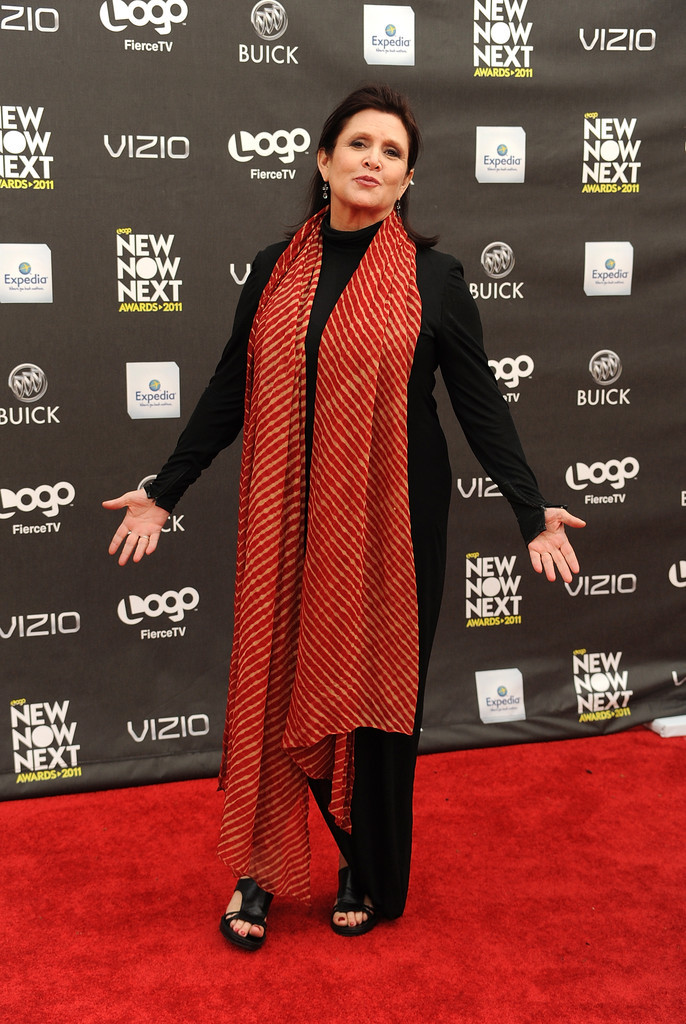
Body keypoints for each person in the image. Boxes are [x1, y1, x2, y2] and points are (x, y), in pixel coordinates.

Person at [103, 84, 585, 951]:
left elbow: (481, 405)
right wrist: (165, 490)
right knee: (276, 673)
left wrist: (531, 511)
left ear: (408, 180)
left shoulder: (436, 279)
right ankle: (259, 866)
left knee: (371, 691)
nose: (374, 159)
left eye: (393, 152)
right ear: (324, 161)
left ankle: (360, 858)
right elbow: (229, 389)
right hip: (286, 516)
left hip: (395, 521)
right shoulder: (272, 269)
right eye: (359, 143)